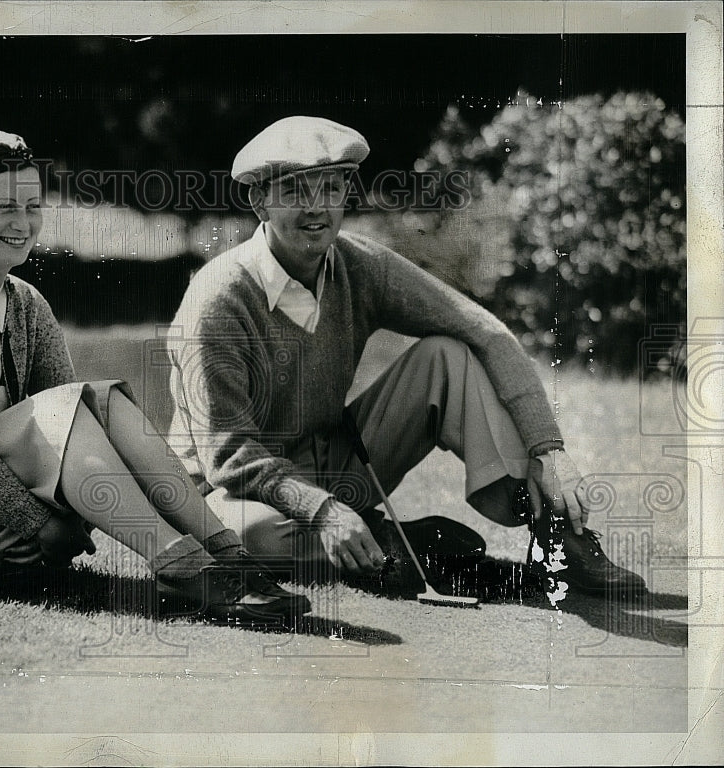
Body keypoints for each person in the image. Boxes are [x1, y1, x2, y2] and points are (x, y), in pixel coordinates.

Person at [0, 129, 311, 624]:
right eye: (3, 208)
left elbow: (77, 426)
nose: (23, 223)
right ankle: (185, 568)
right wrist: (38, 524)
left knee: (100, 402)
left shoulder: (27, 303)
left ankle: (227, 556)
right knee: (70, 407)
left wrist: (55, 521)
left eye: (33, 206)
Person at [164, 115, 646, 597]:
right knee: (253, 537)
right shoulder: (218, 299)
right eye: (293, 192)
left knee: (447, 357)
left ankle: (557, 535)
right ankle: (399, 542)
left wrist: (549, 449)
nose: (317, 209)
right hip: (226, 490)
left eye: (330, 190)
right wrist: (323, 510)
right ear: (258, 201)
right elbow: (230, 457)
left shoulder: (358, 264)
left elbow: (486, 332)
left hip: (330, 460)